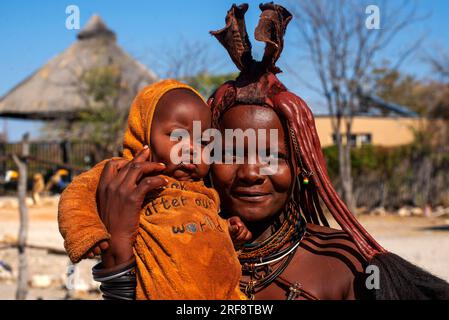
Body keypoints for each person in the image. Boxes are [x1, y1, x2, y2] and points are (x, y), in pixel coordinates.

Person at [59, 3, 449, 300]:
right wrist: (120, 247)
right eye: (228, 153)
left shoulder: (343, 267)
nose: (250, 173)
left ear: (302, 166)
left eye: (273, 157)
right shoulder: (171, 234)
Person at [58, 80, 250, 300]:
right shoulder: (125, 173)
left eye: (203, 142)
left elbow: (201, 230)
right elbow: (76, 195)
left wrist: (228, 232)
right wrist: (86, 233)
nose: (191, 149)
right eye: (178, 136)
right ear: (144, 134)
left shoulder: (203, 188)